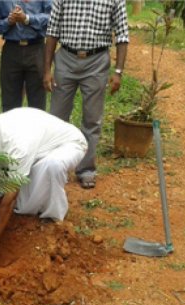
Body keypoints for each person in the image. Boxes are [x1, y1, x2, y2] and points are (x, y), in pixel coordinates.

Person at [0, 108, 88, 265]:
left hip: (67, 145)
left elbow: (11, 196)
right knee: (6, 191)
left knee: (51, 166)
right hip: (37, 146)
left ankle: (53, 216)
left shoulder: (18, 144)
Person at [43, 0, 129, 189]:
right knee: (57, 117)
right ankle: (56, 167)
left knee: (92, 119)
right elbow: (52, 31)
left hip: (96, 62)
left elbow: (122, 35)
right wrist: (47, 70)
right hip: (65, 59)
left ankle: (86, 169)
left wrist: (118, 72)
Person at [0, 0, 51, 111]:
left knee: (37, 103)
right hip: (11, 50)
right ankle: (9, 128)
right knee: (9, 102)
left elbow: (51, 17)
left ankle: (36, 128)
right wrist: (8, 22)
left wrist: (27, 19)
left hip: (36, 49)